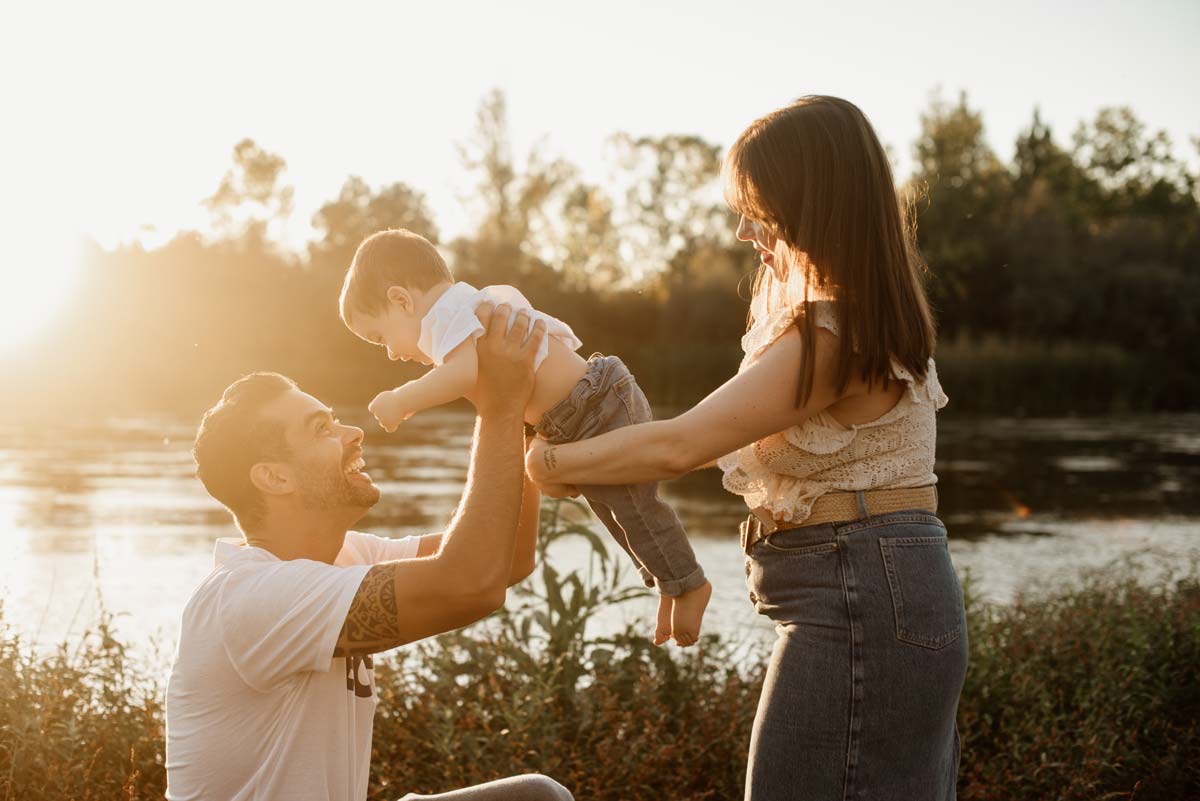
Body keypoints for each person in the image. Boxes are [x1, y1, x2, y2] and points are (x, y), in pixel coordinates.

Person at [524, 96, 969, 800]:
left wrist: (551, 463)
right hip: (886, 586)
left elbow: (681, 444)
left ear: (810, 206)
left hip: (860, 591)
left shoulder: (834, 333)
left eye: (758, 210)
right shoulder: (867, 318)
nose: (743, 229)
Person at [165, 305, 573, 801]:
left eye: (335, 421)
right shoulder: (247, 600)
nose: (352, 433)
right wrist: (499, 405)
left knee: (536, 797)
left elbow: (505, 560)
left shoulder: (347, 555)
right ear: (275, 477)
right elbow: (469, 584)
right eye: (321, 429)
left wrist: (528, 414)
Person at [338, 229, 712, 646]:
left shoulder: (447, 316)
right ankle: (670, 582)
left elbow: (459, 375)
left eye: (381, 337)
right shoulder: (467, 306)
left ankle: (690, 584)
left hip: (593, 404)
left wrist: (401, 399)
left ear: (401, 300)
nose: (390, 353)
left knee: (634, 507)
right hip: (583, 410)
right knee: (619, 510)